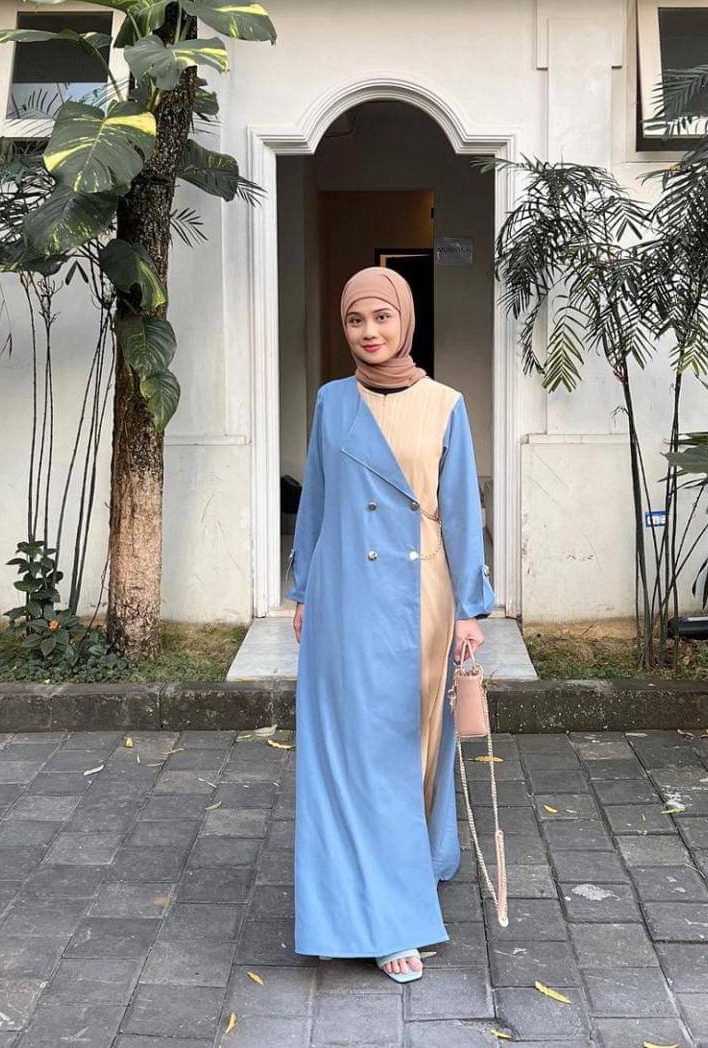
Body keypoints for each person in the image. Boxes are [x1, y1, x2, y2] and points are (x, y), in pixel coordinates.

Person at [285, 265, 495, 983]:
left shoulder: (445, 405)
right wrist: (303, 590)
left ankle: (421, 858)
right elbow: (316, 501)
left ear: (406, 320)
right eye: (355, 319)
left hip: (421, 595)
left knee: (419, 740)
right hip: (344, 596)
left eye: (382, 317)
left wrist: (469, 607)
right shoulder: (331, 401)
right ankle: (384, 917)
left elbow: (461, 509)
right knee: (358, 752)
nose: (369, 332)